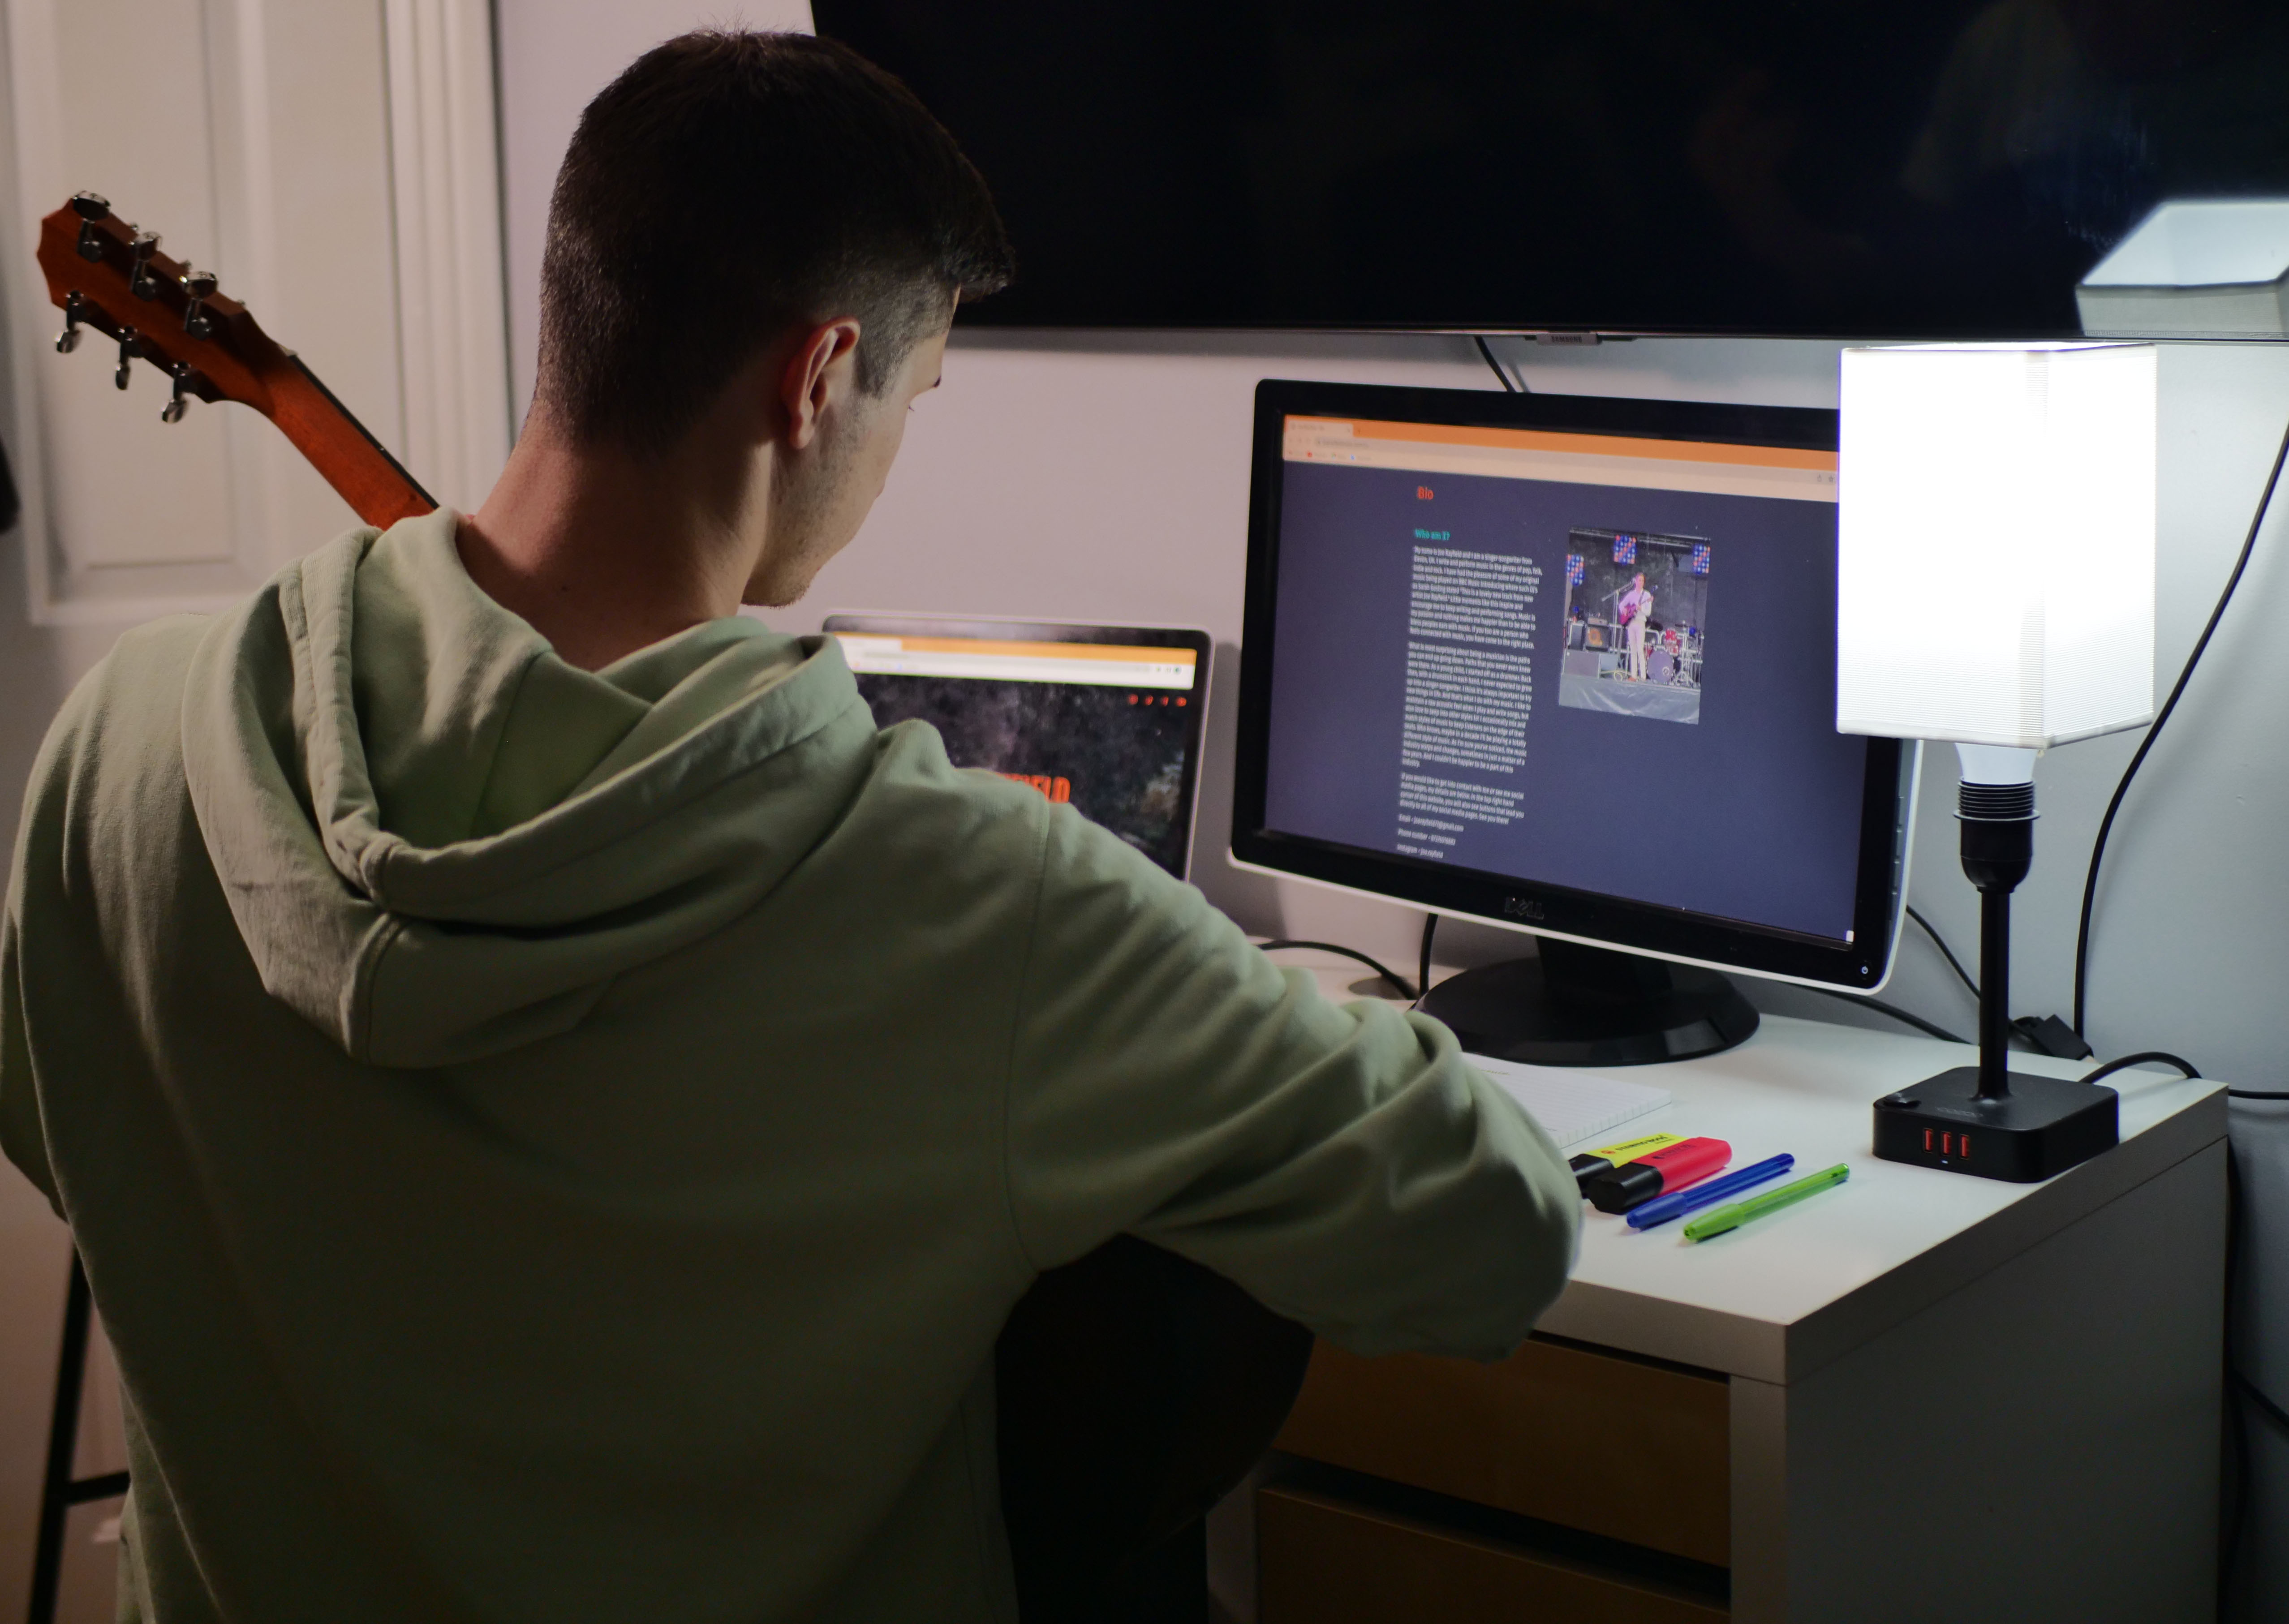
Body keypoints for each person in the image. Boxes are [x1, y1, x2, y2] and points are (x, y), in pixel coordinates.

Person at [0, 30, 1579, 1624]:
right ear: (818, 378)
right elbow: (1492, 1226)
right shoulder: (975, 900)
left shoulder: (122, 746)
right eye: (916, 395)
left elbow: (77, 1137)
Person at [1617, 570, 1653, 680]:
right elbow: (1621, 605)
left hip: (1641, 622)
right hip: (1631, 623)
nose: (1641, 582)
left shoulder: (1647, 595)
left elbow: (1648, 612)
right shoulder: (1631, 594)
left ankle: (1643, 676)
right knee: (1633, 650)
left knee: (1640, 650)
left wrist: (1641, 609)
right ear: (1636, 582)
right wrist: (1624, 610)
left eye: (1643, 581)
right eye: (1640, 580)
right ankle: (1633, 675)